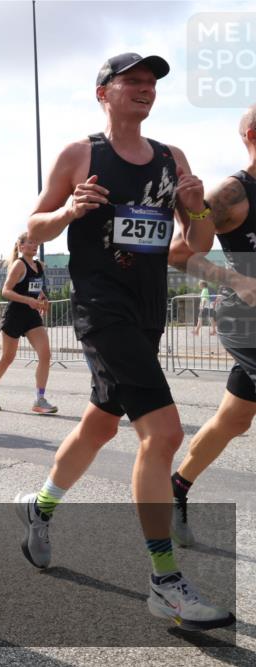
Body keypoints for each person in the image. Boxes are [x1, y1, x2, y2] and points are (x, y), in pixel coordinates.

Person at [14, 52, 233, 630]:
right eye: (131, 81)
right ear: (102, 93)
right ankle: (164, 581)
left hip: (147, 312)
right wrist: (67, 209)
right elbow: (29, 231)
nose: (143, 90)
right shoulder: (81, 154)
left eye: (151, 83)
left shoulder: (171, 158)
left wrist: (198, 206)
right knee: (163, 432)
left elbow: (200, 240)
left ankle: (39, 508)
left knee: (100, 423)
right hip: (100, 309)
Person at [168, 103, 256, 547]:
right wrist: (237, 279)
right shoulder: (232, 195)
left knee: (235, 418)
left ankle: (176, 487)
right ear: (253, 136)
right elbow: (181, 254)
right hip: (245, 320)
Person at [0, 231, 57, 414]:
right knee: (8, 358)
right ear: (21, 246)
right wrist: (27, 300)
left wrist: (43, 299)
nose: (34, 245)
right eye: (30, 242)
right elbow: (5, 291)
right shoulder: (18, 265)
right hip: (15, 314)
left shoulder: (39, 265)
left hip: (31, 317)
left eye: (36, 242)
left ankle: (39, 399)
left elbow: (36, 289)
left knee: (45, 354)